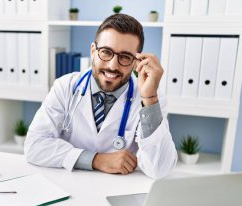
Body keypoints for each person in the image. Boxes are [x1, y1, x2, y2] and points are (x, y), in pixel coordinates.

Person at [24, 14, 177, 179]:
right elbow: (34, 146)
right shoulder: (65, 86)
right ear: (92, 51)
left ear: (135, 62)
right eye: (106, 52)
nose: (112, 65)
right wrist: (96, 160)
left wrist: (150, 99)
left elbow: (160, 169)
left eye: (125, 57)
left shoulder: (150, 98)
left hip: (119, 191)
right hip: (70, 185)